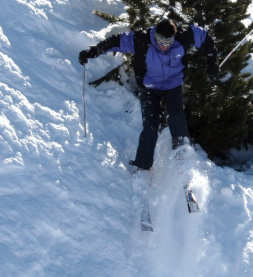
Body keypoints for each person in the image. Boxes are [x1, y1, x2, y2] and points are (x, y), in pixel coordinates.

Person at [78, 19, 219, 170]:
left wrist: (212, 62)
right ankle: (143, 165)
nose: (164, 45)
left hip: (173, 85)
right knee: (151, 126)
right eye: (160, 41)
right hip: (149, 87)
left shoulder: (184, 35)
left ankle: (182, 160)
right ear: (155, 34)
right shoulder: (140, 39)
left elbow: (205, 37)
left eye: (169, 41)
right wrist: (93, 51)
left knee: (177, 119)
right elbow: (115, 41)